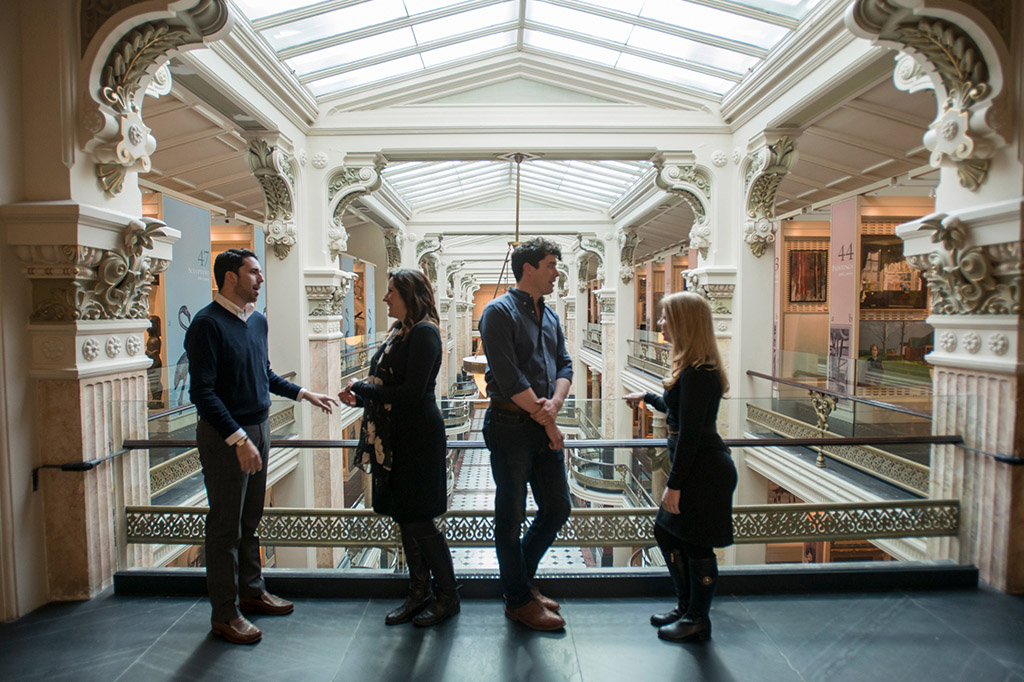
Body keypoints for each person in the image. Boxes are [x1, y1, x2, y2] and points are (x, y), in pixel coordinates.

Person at [185, 248, 337, 644]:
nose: (260, 278)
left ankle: (252, 593)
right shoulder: (206, 325)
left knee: (250, 519)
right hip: (226, 437)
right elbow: (201, 393)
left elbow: (264, 374)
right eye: (253, 272)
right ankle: (225, 614)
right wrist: (238, 439)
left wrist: (305, 393)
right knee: (224, 527)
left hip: (260, 427)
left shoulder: (257, 322)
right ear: (230, 277)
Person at [339, 269, 458, 627]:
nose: (385, 297)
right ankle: (418, 592)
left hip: (418, 438)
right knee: (406, 518)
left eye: (391, 291)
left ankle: (448, 595)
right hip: (399, 436)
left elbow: (410, 393)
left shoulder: (424, 334)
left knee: (420, 520)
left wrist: (363, 388)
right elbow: (389, 387)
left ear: (409, 294)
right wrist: (362, 398)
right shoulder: (400, 331)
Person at [624, 291, 737, 644]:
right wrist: (647, 398)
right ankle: (686, 608)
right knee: (669, 533)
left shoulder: (699, 373)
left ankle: (697, 619)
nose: (659, 325)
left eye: (665, 318)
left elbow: (688, 434)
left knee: (696, 544)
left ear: (683, 323)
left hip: (703, 469)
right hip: (698, 465)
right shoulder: (692, 369)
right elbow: (680, 413)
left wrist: (674, 485)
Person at [478, 237, 573, 631]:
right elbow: (507, 375)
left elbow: (565, 364)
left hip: (539, 422)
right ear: (528, 268)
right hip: (510, 427)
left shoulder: (548, 315)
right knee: (511, 513)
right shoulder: (498, 312)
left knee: (558, 507)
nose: (556, 272)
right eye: (551, 264)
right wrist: (548, 420)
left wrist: (555, 404)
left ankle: (520, 583)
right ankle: (518, 599)